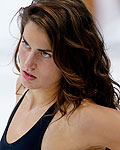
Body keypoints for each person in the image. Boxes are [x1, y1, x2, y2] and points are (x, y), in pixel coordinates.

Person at [0, 0, 120, 149]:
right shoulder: (24, 89)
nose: (28, 64)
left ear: (71, 59)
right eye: (26, 44)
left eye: (45, 54)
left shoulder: (82, 118)